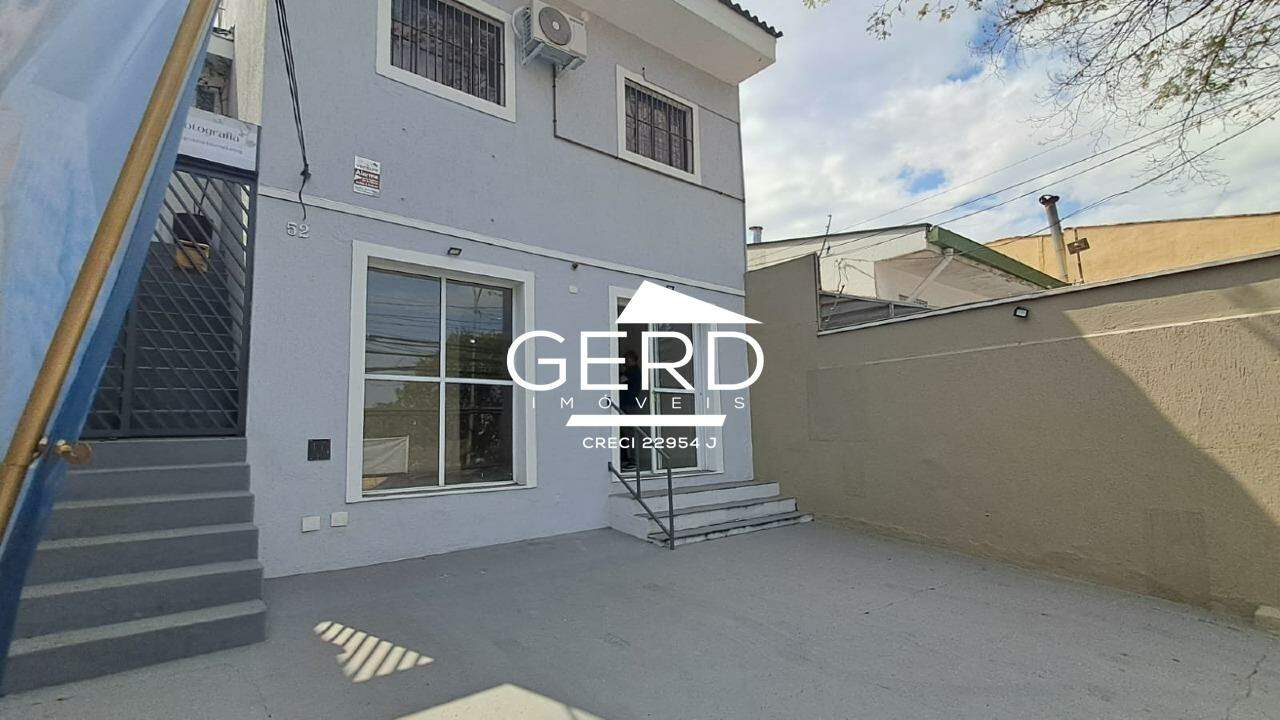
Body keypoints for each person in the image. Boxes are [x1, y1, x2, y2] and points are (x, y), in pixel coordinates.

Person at [619, 351, 644, 470]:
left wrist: (620, 371)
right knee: (625, 432)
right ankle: (627, 459)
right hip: (629, 404)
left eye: (626, 359)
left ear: (632, 359)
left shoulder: (632, 371)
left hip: (629, 405)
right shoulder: (634, 371)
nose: (625, 361)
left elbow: (620, 380)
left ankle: (631, 460)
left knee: (628, 432)